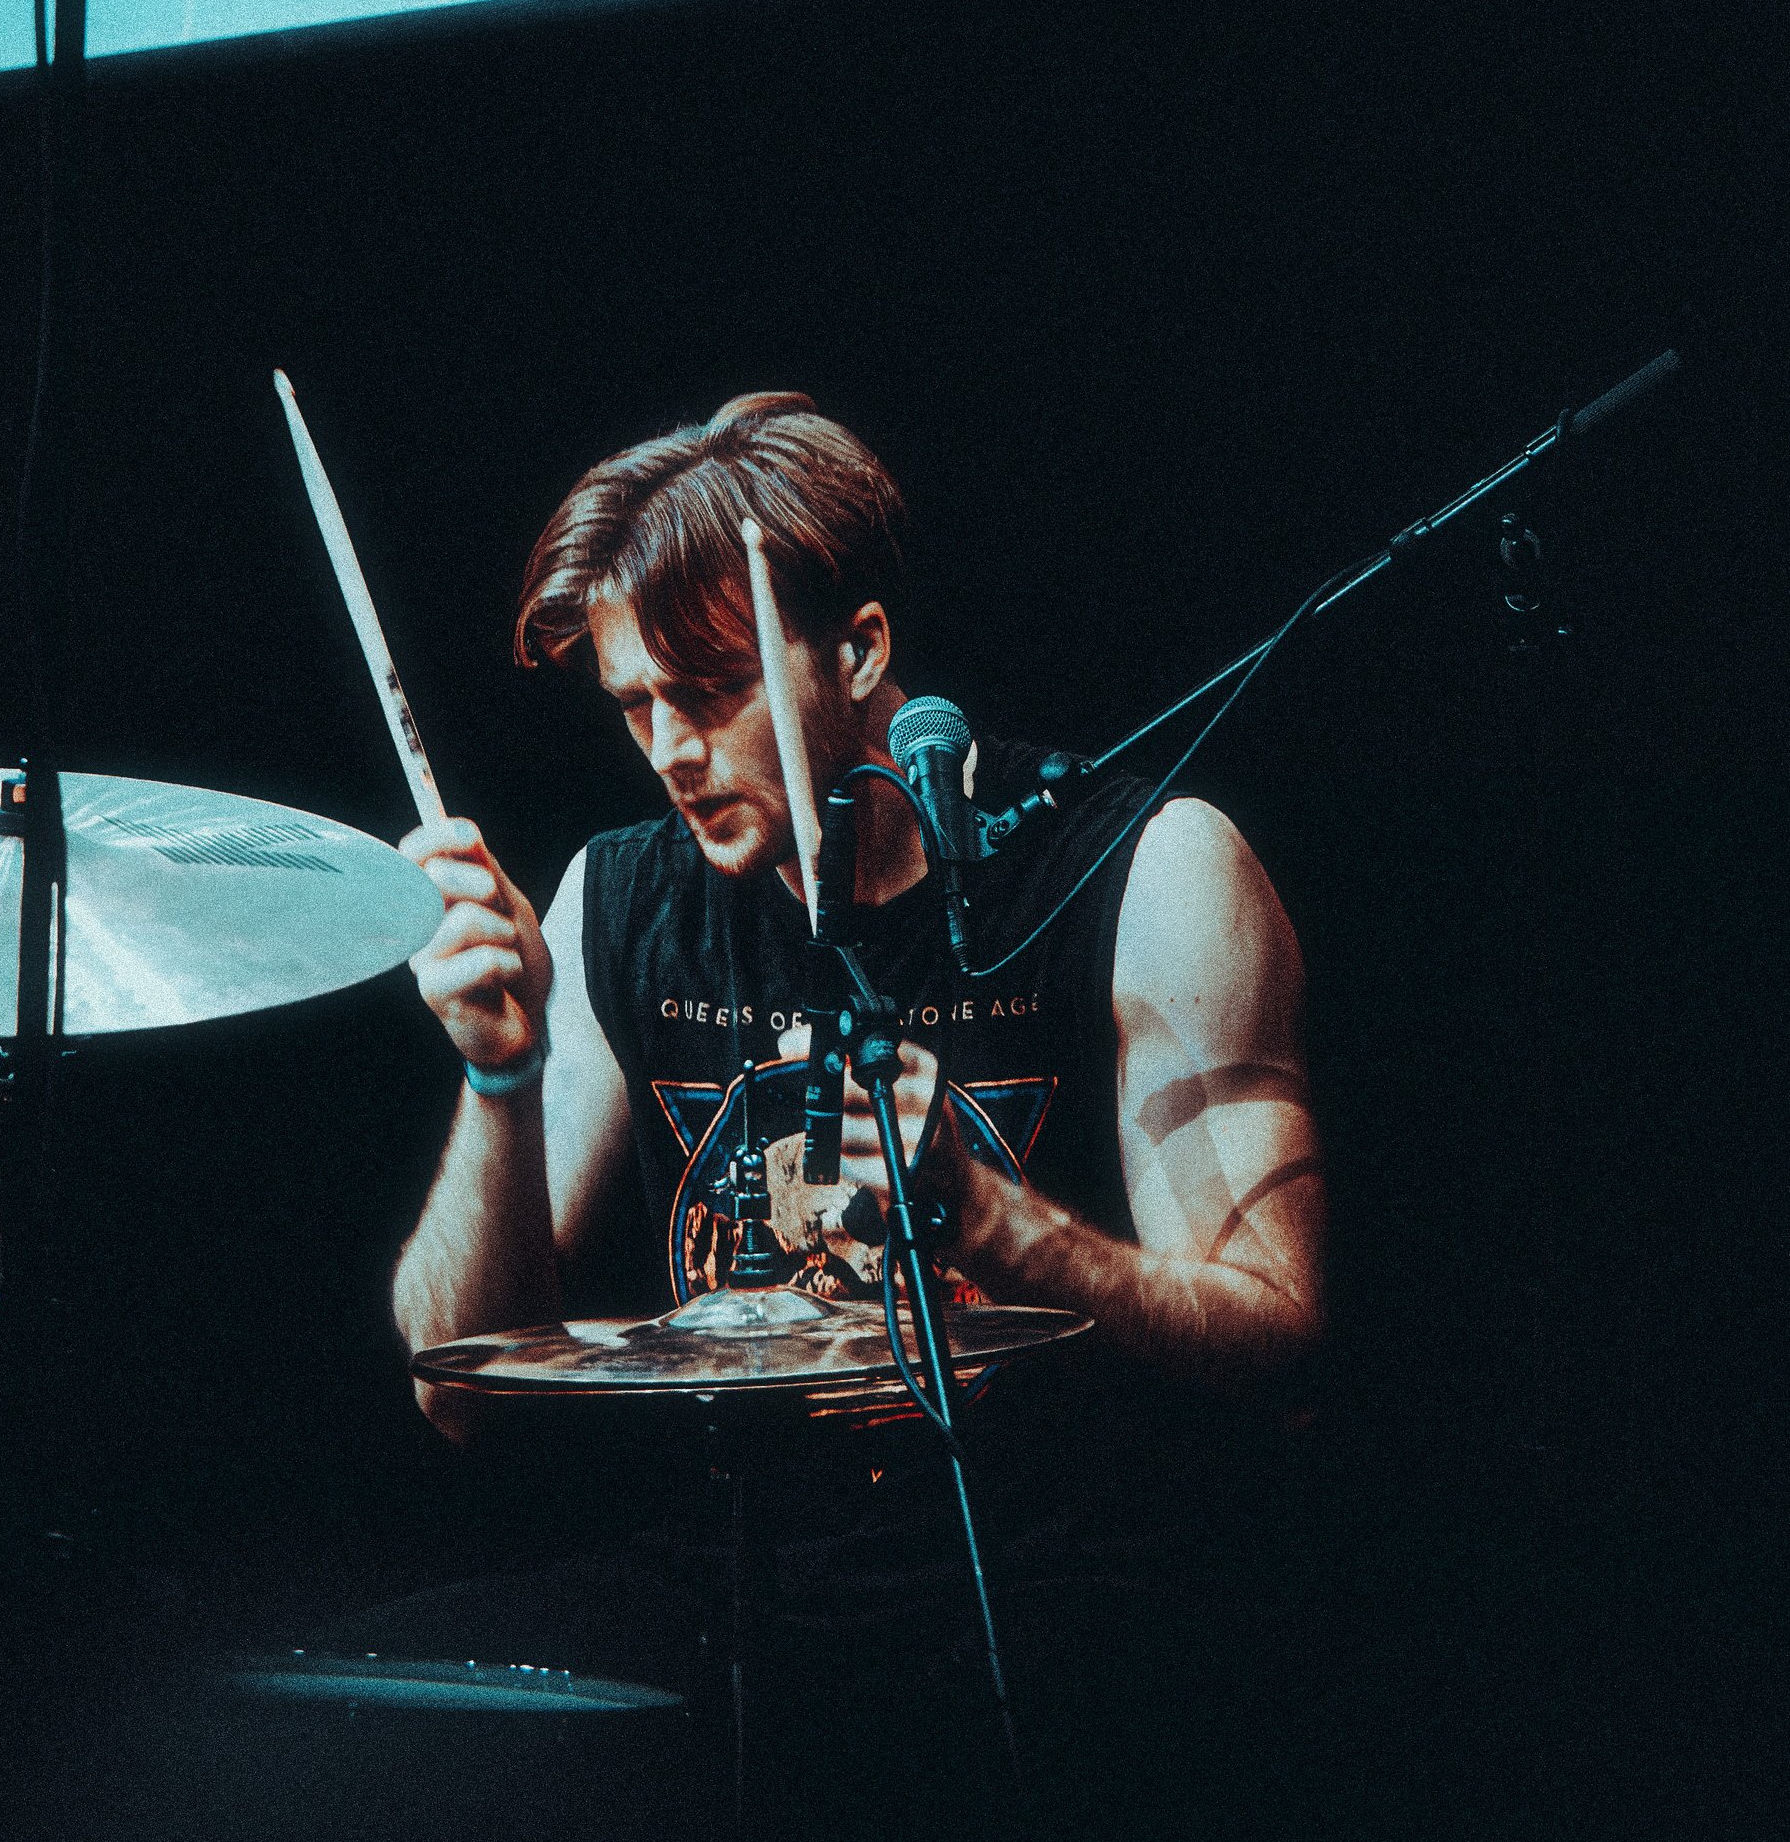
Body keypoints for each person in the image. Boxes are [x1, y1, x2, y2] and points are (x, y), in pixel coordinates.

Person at [384, 393, 1323, 1764]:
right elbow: (453, 1391)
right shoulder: (615, 900)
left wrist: (1005, 1229)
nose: (670, 749)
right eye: (635, 702)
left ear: (860, 647)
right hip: (723, 1596)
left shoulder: (1150, 873)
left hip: (1056, 1589)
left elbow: (1286, 1344)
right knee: (350, 1723)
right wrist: (500, 1077)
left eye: (711, 690)